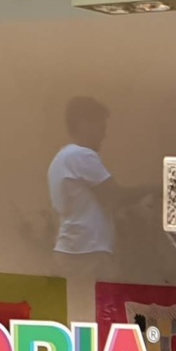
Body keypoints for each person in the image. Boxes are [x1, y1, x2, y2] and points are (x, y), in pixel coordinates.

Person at [48, 97, 116, 256]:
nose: (104, 135)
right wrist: (155, 189)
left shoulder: (61, 157)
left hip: (72, 249)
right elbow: (115, 197)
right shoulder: (81, 155)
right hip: (85, 252)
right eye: (101, 128)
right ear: (84, 125)